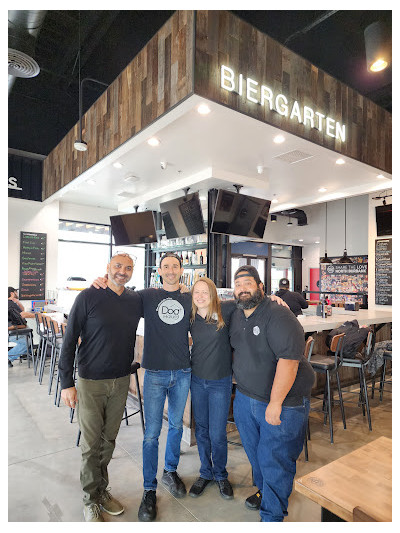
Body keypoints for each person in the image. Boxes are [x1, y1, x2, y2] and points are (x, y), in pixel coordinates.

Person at [94, 252, 192, 522]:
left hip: (183, 371)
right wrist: (101, 282)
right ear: (159, 271)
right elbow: (118, 295)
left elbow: (218, 306)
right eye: (166, 267)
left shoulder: (189, 295)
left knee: (175, 426)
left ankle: (170, 471)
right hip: (156, 373)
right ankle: (149, 489)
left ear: (181, 270)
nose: (171, 270)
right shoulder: (146, 296)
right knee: (151, 434)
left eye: (175, 266)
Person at [58, 253, 142, 522]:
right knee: (90, 444)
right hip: (91, 381)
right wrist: (66, 383)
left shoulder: (133, 300)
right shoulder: (87, 297)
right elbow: (69, 340)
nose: (122, 272)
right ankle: (89, 499)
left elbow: (162, 300)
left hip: (120, 382)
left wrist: (185, 289)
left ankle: (101, 490)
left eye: (128, 268)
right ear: (108, 268)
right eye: (117, 266)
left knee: (108, 441)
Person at [230, 265, 315, 522]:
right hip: (246, 397)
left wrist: (275, 403)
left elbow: (288, 362)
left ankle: (272, 516)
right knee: (256, 456)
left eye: (248, 283)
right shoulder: (235, 312)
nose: (243, 289)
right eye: (238, 285)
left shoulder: (279, 315)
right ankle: (266, 492)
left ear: (261, 287)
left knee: (275, 460)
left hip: (283, 402)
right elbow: (203, 300)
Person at [188, 278, 236, 500]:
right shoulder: (190, 317)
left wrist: (275, 298)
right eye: (196, 292)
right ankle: (205, 472)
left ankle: (220, 474)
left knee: (217, 433)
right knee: (202, 430)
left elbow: (250, 301)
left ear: (213, 294)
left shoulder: (226, 309)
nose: (200, 296)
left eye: (205, 292)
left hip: (220, 381)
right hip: (197, 380)